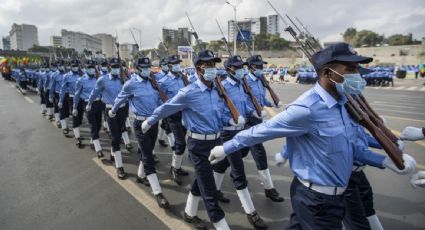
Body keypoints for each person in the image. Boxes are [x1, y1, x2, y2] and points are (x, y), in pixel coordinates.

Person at [208, 42, 417, 230]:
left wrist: (385, 160)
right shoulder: (307, 108)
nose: (357, 75)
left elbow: (349, 146)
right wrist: (226, 148)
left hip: (335, 196)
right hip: (316, 200)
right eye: (350, 70)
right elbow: (261, 131)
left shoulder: (344, 103)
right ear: (328, 73)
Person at [142, 50, 244, 229]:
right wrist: (150, 121)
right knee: (210, 191)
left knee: (201, 180)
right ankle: (221, 225)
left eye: (214, 64)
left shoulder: (216, 90)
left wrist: (229, 120)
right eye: (209, 65)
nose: (213, 68)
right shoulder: (189, 92)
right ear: (199, 69)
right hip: (199, 145)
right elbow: (167, 107)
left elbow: (218, 115)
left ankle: (189, 213)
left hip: (217, 141)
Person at [212, 55, 268, 229]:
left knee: (222, 165)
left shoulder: (241, 86)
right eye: (238, 67)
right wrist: (229, 120)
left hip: (241, 132)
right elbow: (216, 110)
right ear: (229, 70)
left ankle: (213, 191)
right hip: (228, 134)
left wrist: (253, 112)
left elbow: (245, 105)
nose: (242, 70)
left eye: (242, 67)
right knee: (238, 171)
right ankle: (251, 212)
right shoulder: (222, 87)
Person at [110, 57, 170, 208]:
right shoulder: (131, 84)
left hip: (153, 122)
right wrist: (113, 110)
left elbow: (163, 101)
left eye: (148, 67)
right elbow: (119, 98)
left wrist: (157, 87)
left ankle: (140, 175)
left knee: (148, 150)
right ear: (137, 69)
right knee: (148, 157)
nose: (147, 69)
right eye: (143, 67)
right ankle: (158, 193)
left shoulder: (153, 82)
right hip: (140, 123)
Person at [242, 54, 284, 202]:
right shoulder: (244, 81)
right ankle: (269, 188)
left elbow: (261, 99)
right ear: (251, 67)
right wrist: (253, 111)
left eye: (262, 66)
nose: (262, 68)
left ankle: (222, 169)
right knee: (259, 152)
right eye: (259, 66)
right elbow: (241, 101)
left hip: (257, 121)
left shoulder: (260, 80)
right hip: (246, 122)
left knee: (239, 153)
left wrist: (273, 104)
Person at [87, 58, 127, 180]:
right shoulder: (102, 80)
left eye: (117, 66)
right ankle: (119, 166)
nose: (116, 68)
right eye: (114, 66)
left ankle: (112, 154)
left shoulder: (123, 78)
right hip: (110, 111)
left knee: (119, 134)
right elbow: (94, 93)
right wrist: (89, 103)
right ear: (109, 67)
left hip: (123, 109)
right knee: (115, 137)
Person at [158, 54, 190, 185]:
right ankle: (174, 169)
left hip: (184, 115)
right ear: (169, 66)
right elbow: (159, 98)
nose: (178, 65)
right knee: (180, 143)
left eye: (179, 63)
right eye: (175, 63)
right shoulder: (163, 81)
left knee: (182, 143)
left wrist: (186, 80)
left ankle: (176, 167)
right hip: (172, 116)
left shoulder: (182, 78)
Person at [59, 59, 81, 138]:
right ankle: (76, 135)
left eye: (76, 66)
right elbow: (63, 89)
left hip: (82, 99)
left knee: (80, 117)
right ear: (71, 67)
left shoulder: (82, 74)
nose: (75, 67)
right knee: (74, 115)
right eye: (74, 66)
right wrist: (60, 100)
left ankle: (76, 128)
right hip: (71, 98)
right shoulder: (66, 76)